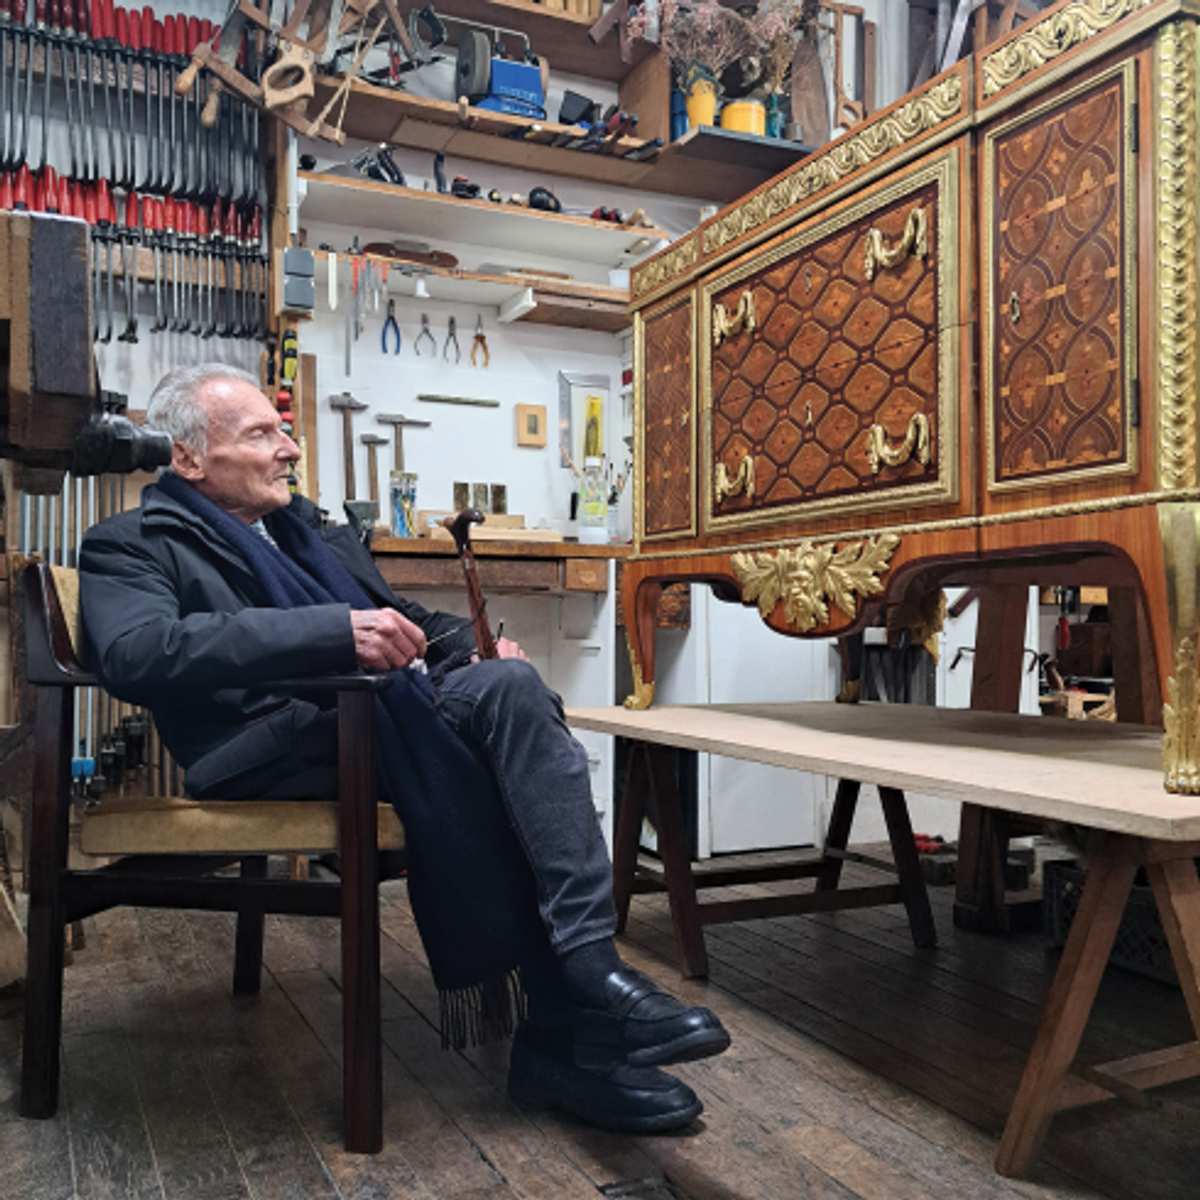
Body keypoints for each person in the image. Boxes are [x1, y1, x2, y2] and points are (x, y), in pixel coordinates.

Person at [79, 363, 730, 1134]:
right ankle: (572, 1025)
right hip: (267, 743)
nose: (290, 448)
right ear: (189, 457)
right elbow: (138, 653)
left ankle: (586, 986)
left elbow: (401, 616)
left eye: (283, 431)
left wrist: (475, 647)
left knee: (512, 689)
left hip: (370, 718)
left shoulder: (304, 533)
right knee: (498, 751)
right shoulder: (131, 543)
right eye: (262, 435)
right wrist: (333, 633)